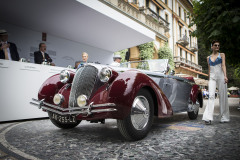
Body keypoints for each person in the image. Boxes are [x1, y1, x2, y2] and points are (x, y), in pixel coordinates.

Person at [202, 40, 229, 125]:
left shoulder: (222, 55)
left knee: (223, 96)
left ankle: (223, 117)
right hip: (212, 78)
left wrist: (225, 76)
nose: (217, 46)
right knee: (211, 96)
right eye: (215, 45)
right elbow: (209, 69)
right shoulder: (208, 58)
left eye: (218, 45)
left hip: (221, 76)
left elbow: (223, 65)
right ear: (212, 47)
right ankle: (208, 117)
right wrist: (209, 79)